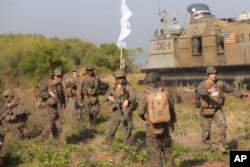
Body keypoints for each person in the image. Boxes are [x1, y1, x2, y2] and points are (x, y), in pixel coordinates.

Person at [196, 66, 248, 153]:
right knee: (206, 130)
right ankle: (207, 148)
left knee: (223, 125)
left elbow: (230, 89)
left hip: (217, 109)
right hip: (206, 110)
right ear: (208, 75)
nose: (214, 75)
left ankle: (221, 145)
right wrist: (208, 91)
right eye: (212, 74)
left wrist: (242, 94)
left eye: (215, 73)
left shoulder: (220, 84)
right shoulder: (203, 84)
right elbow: (198, 91)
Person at [137, 72, 176, 167]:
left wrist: (146, 118)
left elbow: (140, 112)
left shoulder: (144, 95)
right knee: (167, 149)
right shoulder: (166, 93)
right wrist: (172, 123)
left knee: (154, 151)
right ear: (158, 81)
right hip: (165, 126)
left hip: (151, 127)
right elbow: (171, 110)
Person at [104, 69, 137, 146]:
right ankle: (107, 145)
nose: (121, 79)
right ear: (116, 78)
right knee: (112, 129)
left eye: (123, 77)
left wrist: (127, 101)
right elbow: (106, 95)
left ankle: (127, 147)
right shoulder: (113, 86)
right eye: (119, 78)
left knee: (127, 129)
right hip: (115, 110)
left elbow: (134, 96)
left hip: (126, 110)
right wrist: (109, 97)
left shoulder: (128, 86)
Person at [37, 68, 66, 140]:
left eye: (61, 76)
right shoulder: (48, 83)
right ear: (54, 76)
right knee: (48, 127)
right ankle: (41, 142)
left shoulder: (60, 85)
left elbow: (62, 95)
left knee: (59, 127)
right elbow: (39, 93)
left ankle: (58, 142)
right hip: (47, 108)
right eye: (58, 76)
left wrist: (63, 103)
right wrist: (49, 94)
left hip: (56, 108)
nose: (60, 78)